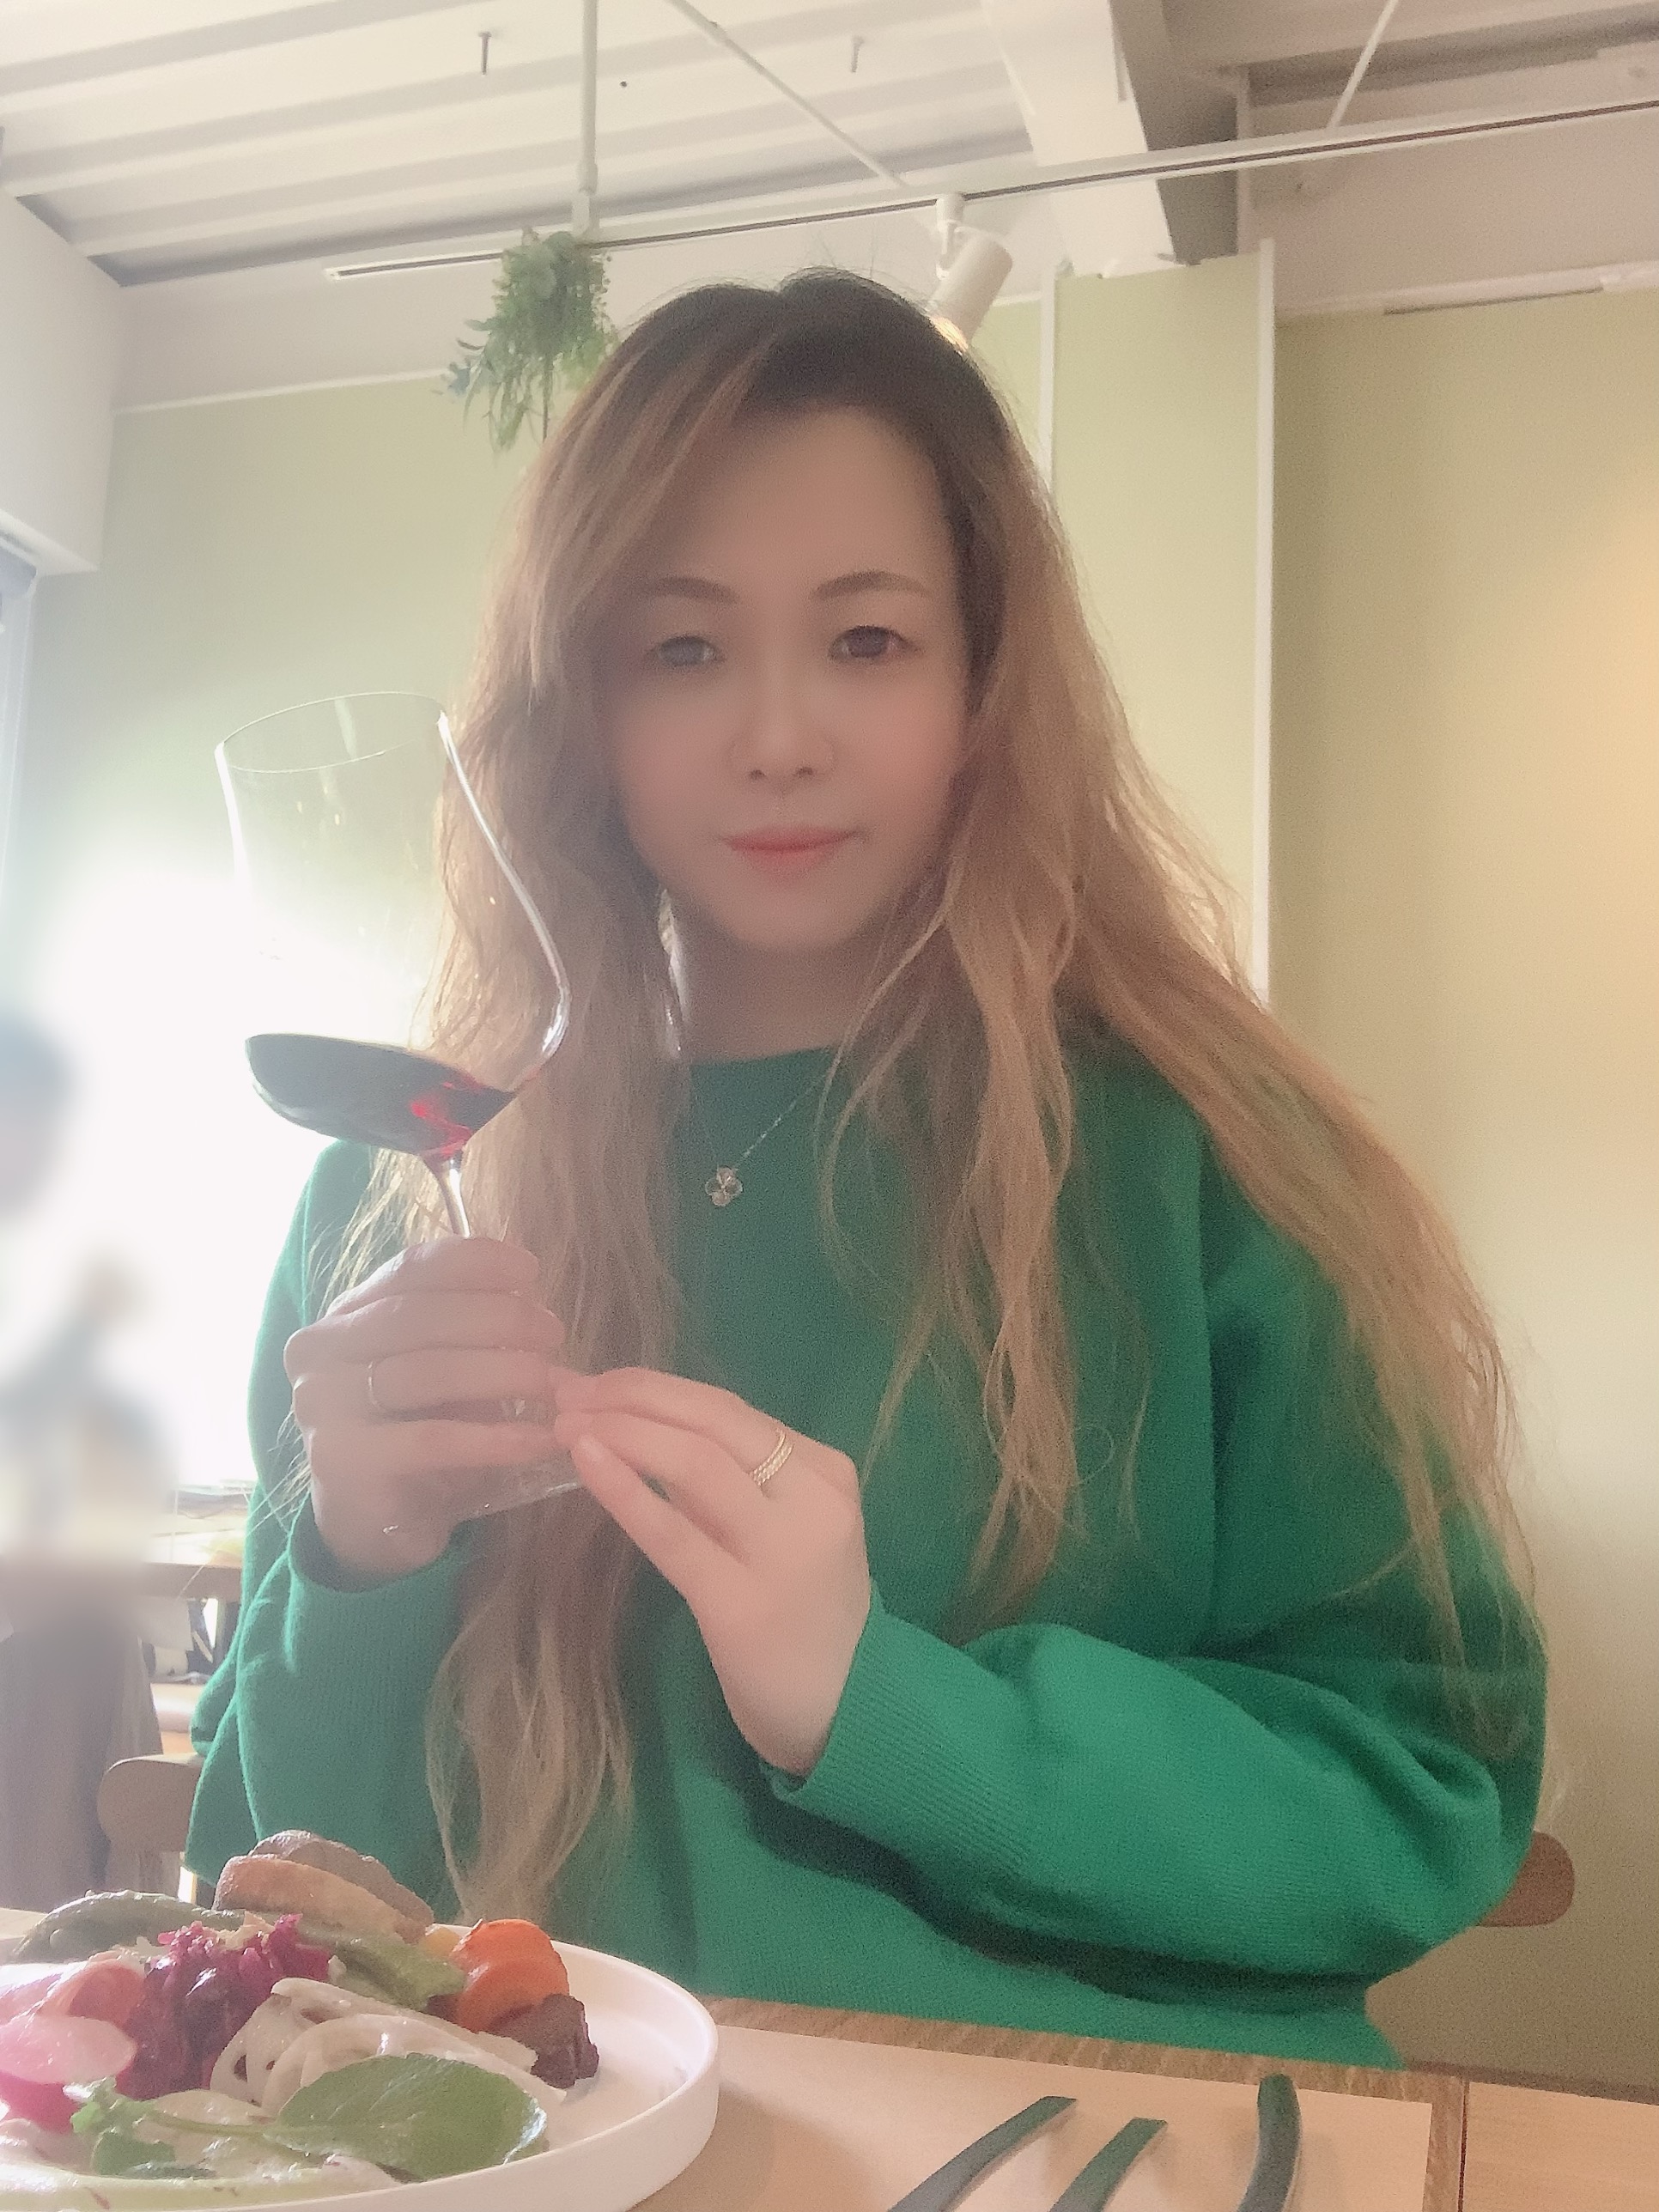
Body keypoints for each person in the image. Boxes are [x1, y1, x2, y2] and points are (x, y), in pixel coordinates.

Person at [189, 272, 1545, 2065]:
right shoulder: (402, 1201)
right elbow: (262, 1882)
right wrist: (362, 1565)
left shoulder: (1213, 1157)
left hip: (1082, 2138)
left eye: (869, 642)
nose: (778, 735)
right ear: (577, 707)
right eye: (683, 650)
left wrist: (881, 1702)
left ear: (987, 684)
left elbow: (1423, 1794)